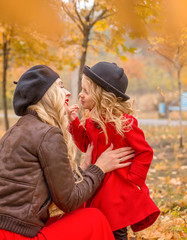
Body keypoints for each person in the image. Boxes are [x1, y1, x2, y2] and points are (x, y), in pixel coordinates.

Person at [0, 65, 135, 240]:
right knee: (94, 218)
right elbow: (69, 201)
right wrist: (99, 168)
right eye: (60, 86)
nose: (67, 93)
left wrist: (84, 167)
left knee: (78, 214)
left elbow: (59, 188)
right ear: (46, 94)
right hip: (13, 235)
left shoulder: (18, 129)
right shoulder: (47, 134)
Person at [68, 61, 160, 240]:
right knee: (100, 225)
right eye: (81, 90)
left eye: (86, 91)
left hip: (116, 189)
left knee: (116, 227)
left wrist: (132, 179)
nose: (80, 95)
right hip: (98, 183)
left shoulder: (123, 123)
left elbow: (145, 152)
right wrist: (74, 123)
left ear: (101, 95)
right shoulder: (91, 121)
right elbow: (87, 146)